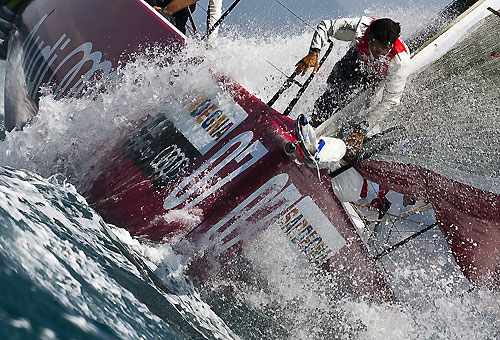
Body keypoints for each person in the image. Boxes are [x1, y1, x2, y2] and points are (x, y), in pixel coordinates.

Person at [295, 17, 411, 138]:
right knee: (331, 97)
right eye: (377, 48)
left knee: (363, 109)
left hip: (376, 79)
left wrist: (362, 129)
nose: (381, 54)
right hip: (355, 61)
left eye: (385, 49)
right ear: (370, 37)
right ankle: (311, 129)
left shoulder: (399, 61)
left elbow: (391, 101)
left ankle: (347, 137)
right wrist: (314, 52)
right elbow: (326, 26)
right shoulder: (361, 28)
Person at [148, 0, 222, 38]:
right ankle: (163, 13)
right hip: (155, 5)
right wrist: (152, 4)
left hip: (177, 20)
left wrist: (210, 42)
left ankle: (165, 13)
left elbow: (215, 9)